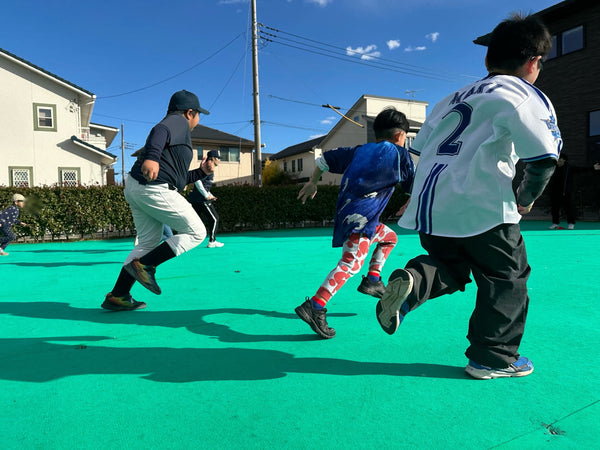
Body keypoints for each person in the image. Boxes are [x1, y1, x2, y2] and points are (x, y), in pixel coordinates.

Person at [375, 14, 562, 379]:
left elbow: (418, 156)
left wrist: (412, 198)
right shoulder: (522, 95)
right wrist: (525, 199)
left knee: (451, 265)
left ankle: (414, 281)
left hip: (431, 206)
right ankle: (493, 358)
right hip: (483, 205)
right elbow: (542, 159)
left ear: (486, 60)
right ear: (533, 62)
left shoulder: (449, 99)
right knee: (506, 277)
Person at [295, 108, 415, 339]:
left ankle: (373, 280)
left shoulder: (358, 151)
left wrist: (312, 183)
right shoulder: (401, 155)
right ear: (400, 135)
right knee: (350, 263)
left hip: (351, 215)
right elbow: (413, 187)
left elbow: (322, 160)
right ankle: (316, 306)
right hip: (361, 219)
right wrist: (409, 202)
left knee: (389, 238)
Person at [102, 90, 210, 311]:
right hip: (152, 188)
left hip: (139, 186)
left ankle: (118, 295)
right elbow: (159, 131)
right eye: (199, 114)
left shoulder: (178, 133)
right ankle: (146, 265)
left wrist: (201, 172)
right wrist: (151, 156)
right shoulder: (177, 122)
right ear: (190, 112)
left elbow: (178, 180)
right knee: (197, 232)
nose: (198, 120)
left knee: (147, 243)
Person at [189, 150, 224, 248]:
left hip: (198, 199)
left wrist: (210, 195)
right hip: (201, 200)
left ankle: (190, 241)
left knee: (194, 221)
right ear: (212, 159)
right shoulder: (206, 168)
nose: (219, 161)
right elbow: (197, 181)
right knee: (215, 219)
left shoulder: (210, 169)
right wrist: (205, 195)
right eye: (218, 159)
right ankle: (212, 241)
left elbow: (205, 186)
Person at [548, 153, 576, 229]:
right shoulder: (553, 167)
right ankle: (555, 223)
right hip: (555, 192)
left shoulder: (568, 168)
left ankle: (571, 223)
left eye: (559, 159)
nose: (558, 161)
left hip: (566, 192)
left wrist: (593, 168)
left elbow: (581, 169)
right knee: (555, 209)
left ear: (564, 160)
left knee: (569, 208)